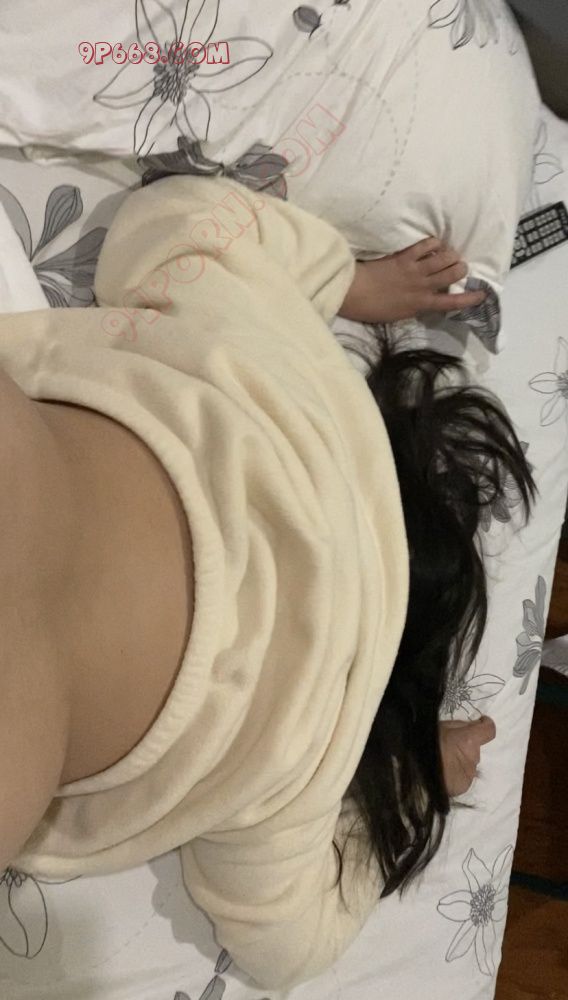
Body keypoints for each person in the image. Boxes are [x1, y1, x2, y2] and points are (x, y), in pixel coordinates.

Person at [0, 175, 533, 990]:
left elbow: (175, 219)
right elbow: (288, 944)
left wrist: (345, 282)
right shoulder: (310, 749)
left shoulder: (290, 373)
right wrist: (418, 785)